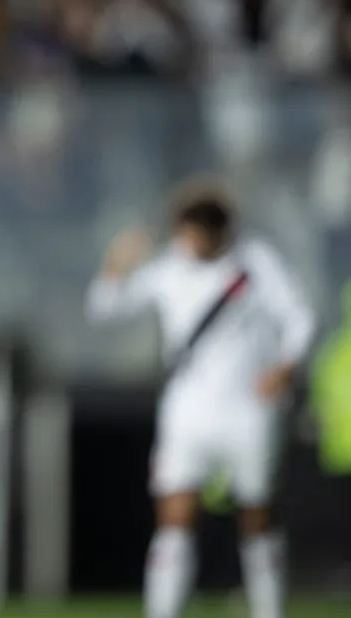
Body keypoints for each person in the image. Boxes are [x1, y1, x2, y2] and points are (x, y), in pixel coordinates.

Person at [85, 180, 315, 618]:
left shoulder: (256, 263)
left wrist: (285, 366)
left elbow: (300, 318)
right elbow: (105, 309)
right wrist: (116, 264)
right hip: (187, 413)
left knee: (258, 515)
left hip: (248, 411)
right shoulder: (168, 269)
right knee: (175, 517)